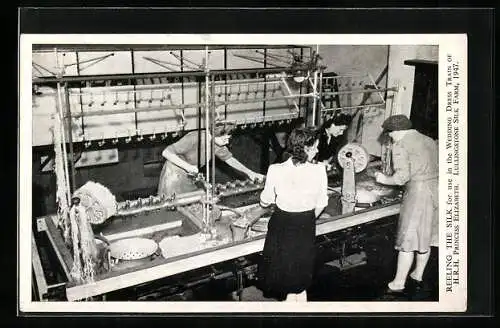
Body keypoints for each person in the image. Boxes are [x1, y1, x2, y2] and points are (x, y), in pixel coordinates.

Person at [250, 127, 329, 302]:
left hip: (282, 223)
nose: (317, 150)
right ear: (306, 149)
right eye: (315, 146)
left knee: (285, 272)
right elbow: (322, 202)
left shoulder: (275, 169)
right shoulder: (319, 170)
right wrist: (307, 218)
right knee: (299, 277)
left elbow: (266, 200)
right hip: (305, 223)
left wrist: (264, 203)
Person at [373, 115, 438, 297]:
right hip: (436, 191)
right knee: (426, 237)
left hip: (418, 195)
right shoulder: (429, 140)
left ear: (396, 132)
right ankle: (417, 274)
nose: (390, 138)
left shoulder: (400, 145)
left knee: (407, 240)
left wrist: (383, 178)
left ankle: (398, 283)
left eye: (390, 134)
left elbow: (401, 177)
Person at [158, 122, 264, 198]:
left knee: (192, 201)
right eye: (225, 139)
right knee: (173, 204)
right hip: (174, 173)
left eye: (228, 138)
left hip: (189, 173)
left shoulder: (217, 144)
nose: (227, 142)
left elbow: (230, 159)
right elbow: (166, 152)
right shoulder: (195, 138)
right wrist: (187, 167)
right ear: (215, 134)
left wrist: (250, 173)